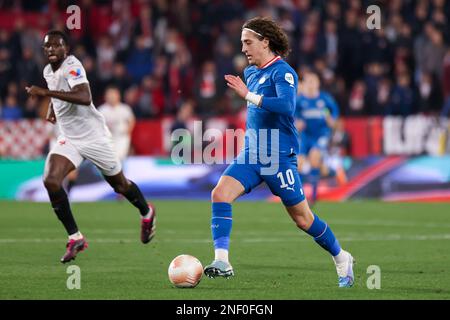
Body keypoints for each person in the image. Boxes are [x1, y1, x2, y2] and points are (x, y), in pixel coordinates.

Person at [203, 17, 354, 288]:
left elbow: (286, 106)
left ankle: (342, 258)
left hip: (279, 158)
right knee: (220, 193)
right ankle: (222, 261)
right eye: (241, 43)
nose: (244, 49)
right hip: (252, 154)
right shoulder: (250, 73)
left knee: (303, 219)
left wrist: (248, 96)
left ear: (265, 41)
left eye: (248, 42)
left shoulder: (283, 72)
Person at [25, 30, 155, 263]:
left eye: (56, 45)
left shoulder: (73, 65)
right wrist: (52, 108)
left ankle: (147, 212)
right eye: (47, 47)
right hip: (70, 138)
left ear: (67, 49)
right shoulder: (47, 71)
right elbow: (60, 94)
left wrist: (45, 93)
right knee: (51, 180)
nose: (52, 50)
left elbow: (84, 96)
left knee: (120, 185)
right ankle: (75, 237)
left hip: (94, 137)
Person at [295, 71, 342, 204]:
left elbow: (335, 111)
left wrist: (332, 120)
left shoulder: (324, 98)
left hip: (321, 134)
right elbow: (292, 114)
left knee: (314, 158)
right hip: (305, 135)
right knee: (299, 164)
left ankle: (313, 197)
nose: (310, 84)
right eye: (308, 81)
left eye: (312, 81)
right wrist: (296, 122)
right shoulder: (300, 100)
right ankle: (300, 197)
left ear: (317, 83)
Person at [98, 86, 135, 161]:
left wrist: (127, 131)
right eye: (109, 95)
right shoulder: (102, 109)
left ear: (118, 95)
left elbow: (131, 120)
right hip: (108, 138)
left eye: (113, 94)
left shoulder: (124, 108)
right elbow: (97, 124)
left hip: (121, 137)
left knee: (120, 158)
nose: (111, 97)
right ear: (105, 96)